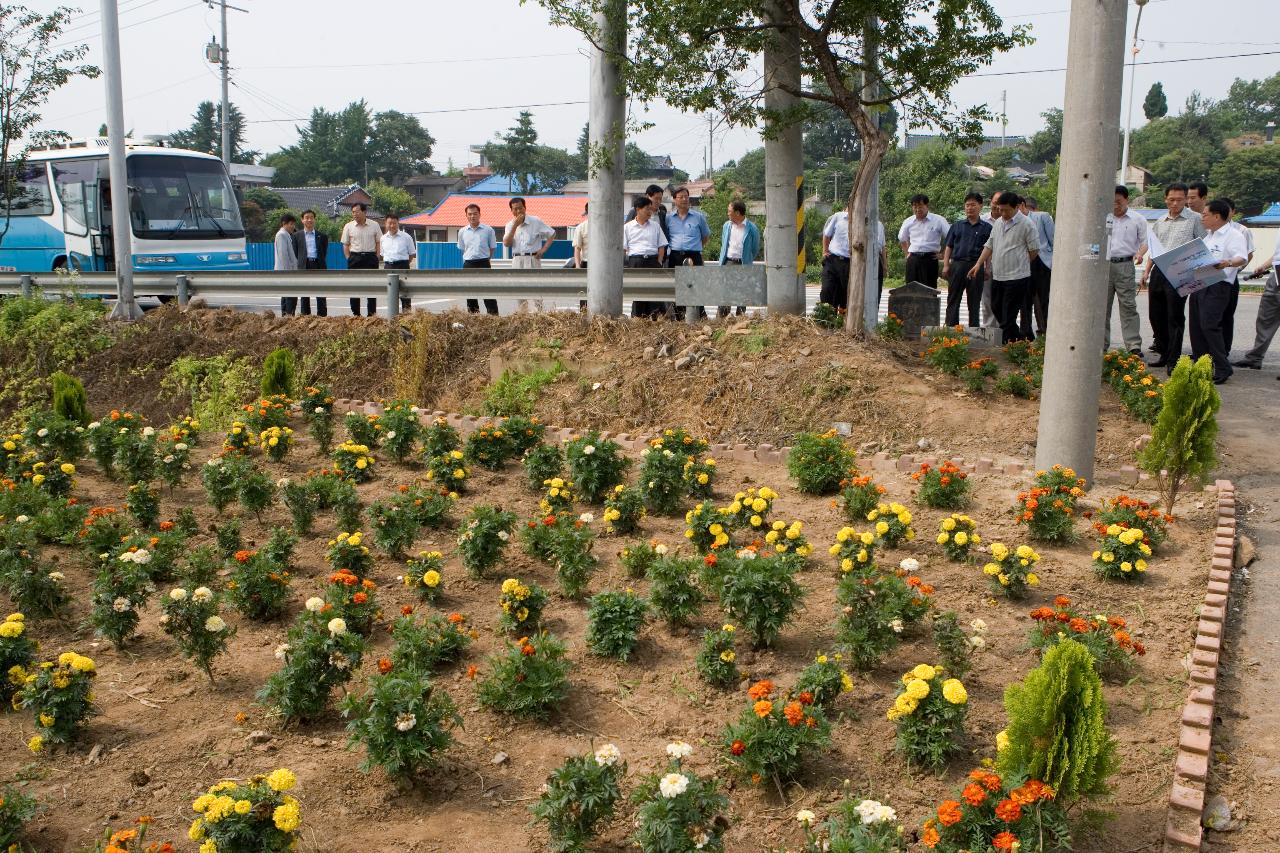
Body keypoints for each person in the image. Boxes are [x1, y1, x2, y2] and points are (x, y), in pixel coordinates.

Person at [1143, 183, 1205, 371]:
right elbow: (1154, 249)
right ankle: (1162, 352)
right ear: (1165, 199)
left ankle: (1174, 359)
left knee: (1174, 317)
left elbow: (1203, 245)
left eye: (1179, 199)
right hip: (1159, 270)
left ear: (1186, 199)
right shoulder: (1160, 221)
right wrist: (1146, 270)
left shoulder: (1195, 219)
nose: (1175, 203)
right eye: (1171, 199)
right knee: (1156, 315)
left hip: (1182, 270)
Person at [969, 191, 1038, 345]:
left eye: (1006, 210)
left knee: (1008, 315)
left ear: (1016, 207)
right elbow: (989, 245)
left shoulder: (1027, 224)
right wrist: (978, 264)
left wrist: (1020, 262)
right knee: (996, 307)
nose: (1003, 213)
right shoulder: (999, 222)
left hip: (1017, 277)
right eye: (1000, 209)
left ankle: (1007, 345)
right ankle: (1019, 340)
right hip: (999, 275)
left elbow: (1034, 250)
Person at [1192, 199, 1248, 384]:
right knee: (1197, 326)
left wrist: (1227, 262)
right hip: (1201, 283)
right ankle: (1203, 366)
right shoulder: (1209, 236)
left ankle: (1223, 366)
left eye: (1205, 215)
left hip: (1219, 285)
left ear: (1217, 216)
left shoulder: (1234, 235)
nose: (1202, 218)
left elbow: (1242, 257)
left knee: (1210, 325)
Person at [1103, 185, 1148, 353]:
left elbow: (1144, 242)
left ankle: (1133, 345)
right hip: (1103, 266)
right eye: (1112, 202)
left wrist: (1140, 254)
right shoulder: (1103, 217)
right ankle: (1101, 344)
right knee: (1102, 307)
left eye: (1118, 202)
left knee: (1128, 305)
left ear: (1126, 200)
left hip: (1125, 265)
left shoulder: (1138, 219)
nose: (1115, 205)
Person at [941, 192, 991, 327]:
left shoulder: (987, 228)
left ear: (980, 206)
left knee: (974, 300)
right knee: (953, 298)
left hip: (976, 265)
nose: (970, 208)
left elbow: (989, 251)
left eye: (973, 205)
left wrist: (987, 268)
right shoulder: (957, 226)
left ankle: (974, 330)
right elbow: (949, 247)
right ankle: (951, 329)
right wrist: (946, 265)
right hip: (957, 265)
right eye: (967, 205)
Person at [1232, 243, 1280, 375]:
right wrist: (1264, 266)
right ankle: (1255, 358)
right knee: (1265, 320)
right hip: (1276, 276)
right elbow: (1278, 255)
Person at [503, 196, 555, 312]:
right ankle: (523, 315)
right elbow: (506, 243)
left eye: (520, 208)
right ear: (511, 211)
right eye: (515, 209)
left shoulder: (535, 221)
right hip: (517, 260)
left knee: (536, 288)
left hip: (533, 258)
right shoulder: (509, 225)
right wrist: (514, 226)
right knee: (519, 290)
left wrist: (543, 249)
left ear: (525, 208)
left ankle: (540, 315)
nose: (518, 211)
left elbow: (552, 233)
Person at [624, 195, 669, 319]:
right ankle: (638, 319)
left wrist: (659, 262)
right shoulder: (628, 227)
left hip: (652, 261)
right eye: (647, 209)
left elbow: (661, 246)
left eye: (651, 209)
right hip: (635, 261)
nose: (650, 212)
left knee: (654, 291)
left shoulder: (655, 226)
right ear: (638, 209)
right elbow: (623, 248)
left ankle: (655, 318)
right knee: (638, 291)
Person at [1220, 198, 1254, 356]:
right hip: (1213, 279)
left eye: (1227, 209)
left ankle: (1224, 350)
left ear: (1233, 212)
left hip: (1231, 278)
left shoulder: (1242, 230)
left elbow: (1248, 255)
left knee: (1226, 315)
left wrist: (1234, 270)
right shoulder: (1212, 230)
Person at [718, 200, 761, 317]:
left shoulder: (752, 228)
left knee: (742, 294)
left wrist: (747, 259)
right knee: (725, 293)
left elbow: (754, 248)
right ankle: (722, 320)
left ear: (737, 213)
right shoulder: (727, 226)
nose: (728, 213)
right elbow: (724, 244)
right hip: (729, 262)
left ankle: (740, 319)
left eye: (729, 211)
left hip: (743, 263)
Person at [897, 194, 949, 287]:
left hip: (930, 259)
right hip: (913, 259)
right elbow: (902, 238)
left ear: (927, 206)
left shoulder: (938, 220)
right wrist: (907, 254)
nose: (917, 209)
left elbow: (951, 237)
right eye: (915, 206)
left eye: (920, 206)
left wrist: (943, 254)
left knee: (929, 289)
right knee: (911, 288)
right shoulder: (908, 221)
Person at [458, 203, 498, 315]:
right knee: (470, 294)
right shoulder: (462, 231)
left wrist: (485, 259)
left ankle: (494, 318)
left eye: (475, 213)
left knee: (488, 293)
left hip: (484, 263)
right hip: (468, 264)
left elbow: (492, 248)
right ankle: (474, 318)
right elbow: (462, 248)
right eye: (469, 214)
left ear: (480, 214)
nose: (472, 216)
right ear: (466, 215)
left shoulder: (488, 230)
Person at [341, 202, 381, 316]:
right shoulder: (348, 226)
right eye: (353, 212)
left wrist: (377, 256)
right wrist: (349, 258)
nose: (355, 214)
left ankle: (371, 314)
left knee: (372, 287)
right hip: (355, 258)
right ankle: (356, 314)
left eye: (357, 212)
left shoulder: (375, 225)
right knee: (354, 286)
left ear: (364, 212)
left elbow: (378, 241)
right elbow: (345, 244)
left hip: (370, 257)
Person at [1023, 196, 1055, 337]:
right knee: (1025, 299)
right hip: (1024, 262)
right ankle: (1026, 332)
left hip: (1042, 262)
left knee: (1043, 299)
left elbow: (1053, 239)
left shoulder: (1042, 217)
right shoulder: (1014, 221)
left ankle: (1045, 331)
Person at [291, 209, 328, 317]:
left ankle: (322, 316)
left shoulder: (322, 236)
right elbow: (295, 252)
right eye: (306, 217)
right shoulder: (296, 236)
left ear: (314, 220)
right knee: (304, 292)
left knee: (321, 291)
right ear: (302, 220)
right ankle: (305, 316)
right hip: (304, 265)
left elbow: (323, 252)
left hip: (318, 264)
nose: (309, 220)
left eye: (311, 217)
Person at [379, 213, 416, 312]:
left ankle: (406, 318)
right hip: (388, 267)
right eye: (389, 223)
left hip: (402, 266)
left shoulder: (406, 237)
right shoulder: (383, 239)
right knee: (391, 295)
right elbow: (382, 254)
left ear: (398, 223)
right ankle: (393, 318)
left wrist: (404, 262)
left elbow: (412, 254)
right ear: (386, 224)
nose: (392, 225)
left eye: (394, 223)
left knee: (405, 294)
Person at [274, 212, 298, 316]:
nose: (293, 226)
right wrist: (289, 271)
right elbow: (283, 254)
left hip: (286, 270)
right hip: (286, 270)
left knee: (286, 295)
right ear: (284, 223)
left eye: (294, 224)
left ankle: (285, 316)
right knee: (290, 295)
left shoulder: (286, 234)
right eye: (291, 224)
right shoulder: (282, 235)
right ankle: (289, 316)